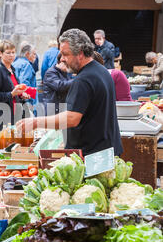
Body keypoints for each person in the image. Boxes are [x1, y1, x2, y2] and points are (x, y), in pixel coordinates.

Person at [16, 29, 123, 157]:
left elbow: (72, 118)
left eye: (66, 54)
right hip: (104, 150)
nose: (62, 59)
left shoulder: (84, 79)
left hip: (92, 155)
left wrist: (35, 122)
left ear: (80, 54)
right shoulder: (101, 71)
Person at [0, 40, 31, 127]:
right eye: (8, 53)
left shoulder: (13, 69)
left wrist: (21, 95)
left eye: (13, 52)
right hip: (2, 116)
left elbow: (14, 91)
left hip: (15, 113)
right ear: (0, 53)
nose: (11, 55)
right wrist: (12, 94)